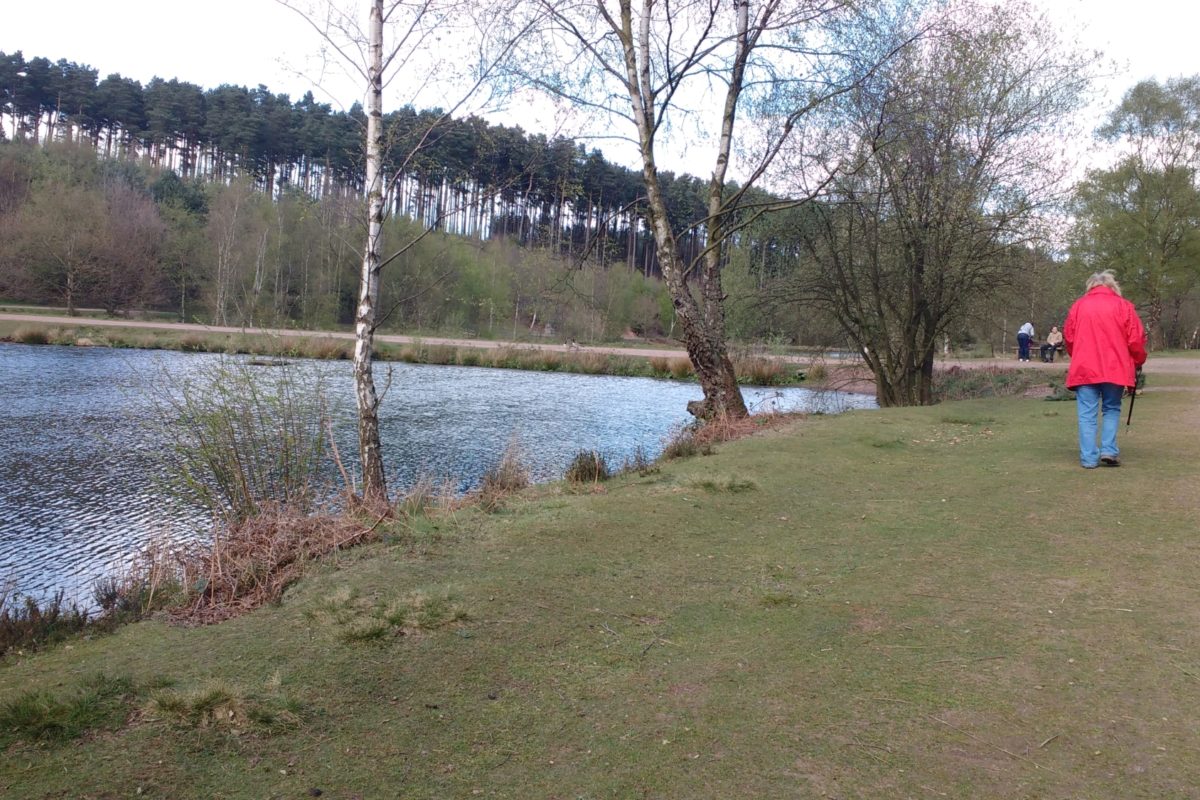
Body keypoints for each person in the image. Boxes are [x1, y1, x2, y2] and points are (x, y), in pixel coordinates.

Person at [1063, 270, 1147, 469]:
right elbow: (1135, 339)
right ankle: (1108, 450)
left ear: (1091, 286)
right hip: (1114, 368)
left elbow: (1069, 337)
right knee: (1111, 408)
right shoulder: (1123, 306)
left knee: (1087, 414)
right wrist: (1138, 360)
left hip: (1085, 368)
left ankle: (1089, 458)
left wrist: (1080, 355)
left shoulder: (1078, 306)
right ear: (1112, 286)